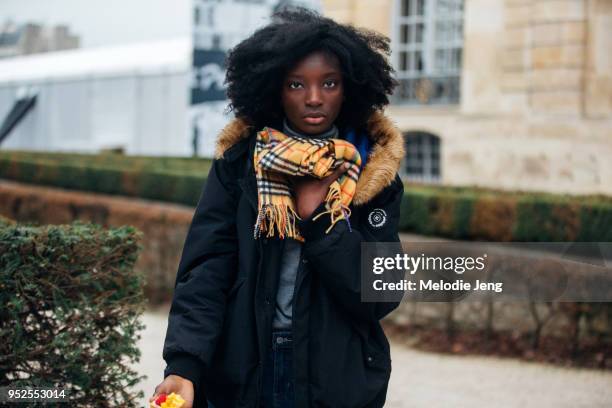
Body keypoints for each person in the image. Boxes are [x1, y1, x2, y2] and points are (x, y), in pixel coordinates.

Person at [150, 7, 405, 408]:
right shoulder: (238, 166)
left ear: (350, 87)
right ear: (274, 87)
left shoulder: (374, 175)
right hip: (246, 370)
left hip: (334, 379)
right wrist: (184, 365)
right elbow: (206, 271)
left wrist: (319, 221)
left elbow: (382, 292)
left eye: (330, 83)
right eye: (296, 84)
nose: (315, 98)